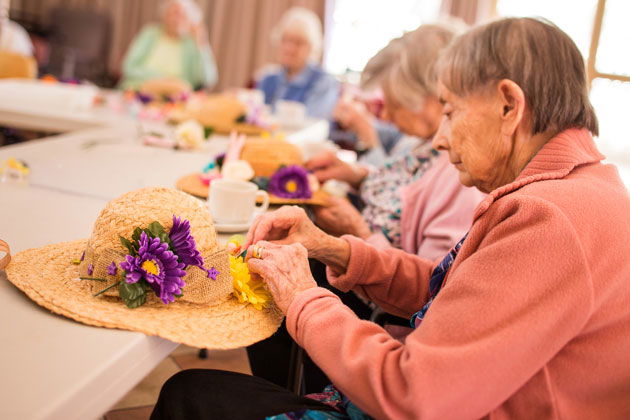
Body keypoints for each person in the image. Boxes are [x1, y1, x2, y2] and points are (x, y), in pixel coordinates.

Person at [152, 18, 630, 419]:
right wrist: (337, 250)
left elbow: (416, 396)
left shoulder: (551, 219)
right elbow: (459, 296)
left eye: (450, 111)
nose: (440, 139)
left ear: (509, 104)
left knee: (190, 397)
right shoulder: (578, 187)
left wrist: (302, 297)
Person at [311, 24, 483, 260]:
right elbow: (402, 187)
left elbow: (430, 286)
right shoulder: (418, 141)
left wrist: (357, 232)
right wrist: (357, 176)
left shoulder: (462, 174)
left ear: (435, 98)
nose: (386, 116)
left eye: (395, 105)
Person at [256, 7, 339, 119]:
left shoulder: (323, 82)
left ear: (312, 47)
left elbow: (312, 124)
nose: (289, 48)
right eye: (285, 40)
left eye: (298, 43)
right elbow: (255, 117)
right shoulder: (268, 79)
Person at [119, 0, 218, 91]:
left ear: (190, 19)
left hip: (176, 96)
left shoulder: (192, 44)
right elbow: (128, 67)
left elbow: (208, 80)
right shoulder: (150, 33)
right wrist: (163, 79)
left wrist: (202, 45)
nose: (178, 18)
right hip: (139, 86)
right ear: (164, 15)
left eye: (183, 14)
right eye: (174, 13)